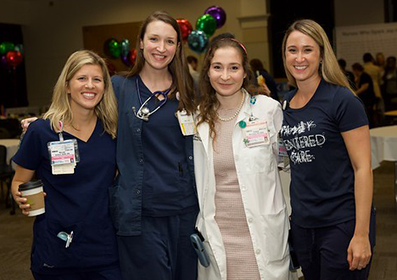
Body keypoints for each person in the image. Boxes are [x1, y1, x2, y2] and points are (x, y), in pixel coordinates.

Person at [11, 50, 122, 280]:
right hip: (57, 250)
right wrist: (20, 197)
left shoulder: (112, 131)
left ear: (104, 87)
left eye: (97, 79)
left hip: (105, 250)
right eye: (82, 78)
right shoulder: (41, 131)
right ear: (67, 85)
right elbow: (19, 181)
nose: (89, 85)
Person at [280, 19, 376, 280]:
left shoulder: (342, 100)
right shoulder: (286, 104)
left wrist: (361, 234)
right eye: (292, 50)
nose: (299, 58)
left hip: (341, 224)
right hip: (303, 224)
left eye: (307, 49)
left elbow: (363, 168)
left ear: (322, 54)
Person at [109, 11, 198, 280]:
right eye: (154, 39)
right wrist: (45, 123)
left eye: (170, 42)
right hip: (140, 213)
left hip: (186, 210)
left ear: (178, 48)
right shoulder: (119, 88)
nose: (161, 48)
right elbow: (84, 117)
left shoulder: (190, 89)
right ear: (141, 42)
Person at [194, 37, 292, 279]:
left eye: (233, 67)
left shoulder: (267, 110)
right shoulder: (197, 120)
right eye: (217, 67)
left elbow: (287, 166)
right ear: (207, 71)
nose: (225, 76)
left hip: (263, 232)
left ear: (245, 72)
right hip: (218, 237)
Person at [352, 62, 377, 127]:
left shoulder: (365, 76)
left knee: (369, 114)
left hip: (368, 98)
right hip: (364, 98)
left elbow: (364, 87)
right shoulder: (360, 77)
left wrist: (354, 93)